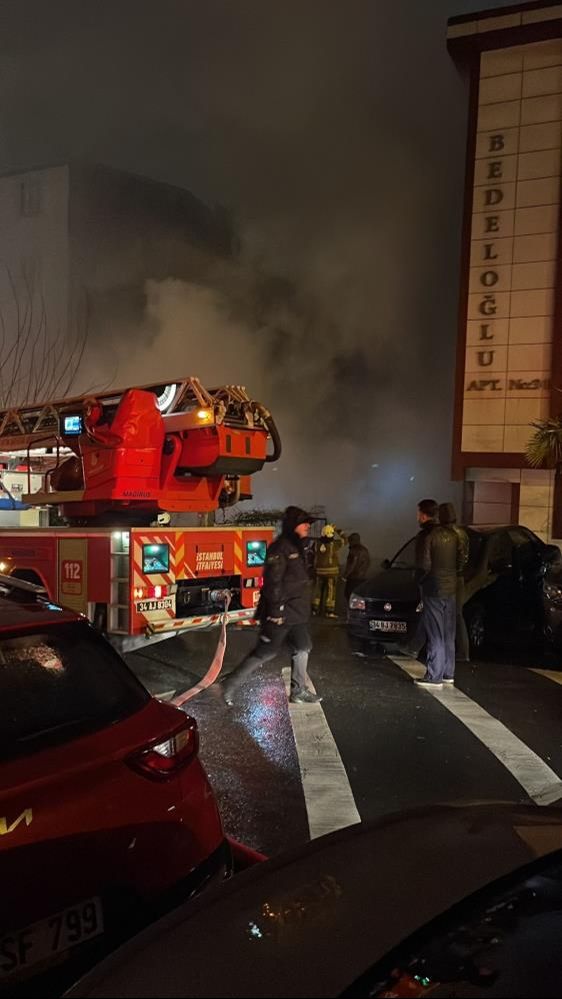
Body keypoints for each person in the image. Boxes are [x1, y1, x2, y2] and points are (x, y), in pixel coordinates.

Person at [221, 506, 322, 706]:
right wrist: (276, 612)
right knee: (265, 652)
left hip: (296, 614)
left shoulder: (297, 547)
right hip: (281, 613)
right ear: (294, 525)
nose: (308, 527)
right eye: (305, 524)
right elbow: (273, 582)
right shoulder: (280, 548)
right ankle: (228, 685)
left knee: (303, 647)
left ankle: (298, 691)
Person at [414, 498, 459, 689]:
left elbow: (424, 565)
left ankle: (434, 675)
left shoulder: (427, 536)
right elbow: (461, 560)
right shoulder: (453, 535)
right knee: (449, 632)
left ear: (424, 515)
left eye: (418, 513)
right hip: (451, 588)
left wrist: (420, 582)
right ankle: (448, 673)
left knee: (435, 632)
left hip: (434, 588)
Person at [439, 502, 470, 663]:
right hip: (458, 577)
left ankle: (462, 652)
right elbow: (464, 558)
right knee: (456, 614)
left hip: (450, 577)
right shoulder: (462, 533)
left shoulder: (447, 534)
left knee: (452, 615)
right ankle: (461, 652)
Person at [312, 524, 345, 618]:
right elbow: (345, 540)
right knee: (330, 592)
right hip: (331, 573)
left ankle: (315, 610)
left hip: (319, 572)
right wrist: (338, 530)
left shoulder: (316, 544)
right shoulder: (334, 544)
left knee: (317, 590)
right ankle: (329, 612)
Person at [342, 533, 370, 602]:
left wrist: (345, 576)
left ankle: (350, 612)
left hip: (353, 578)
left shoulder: (353, 551)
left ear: (353, 541)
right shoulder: (365, 550)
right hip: (362, 578)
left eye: (350, 541)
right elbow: (368, 563)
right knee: (358, 598)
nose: (349, 543)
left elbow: (352, 565)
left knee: (349, 595)